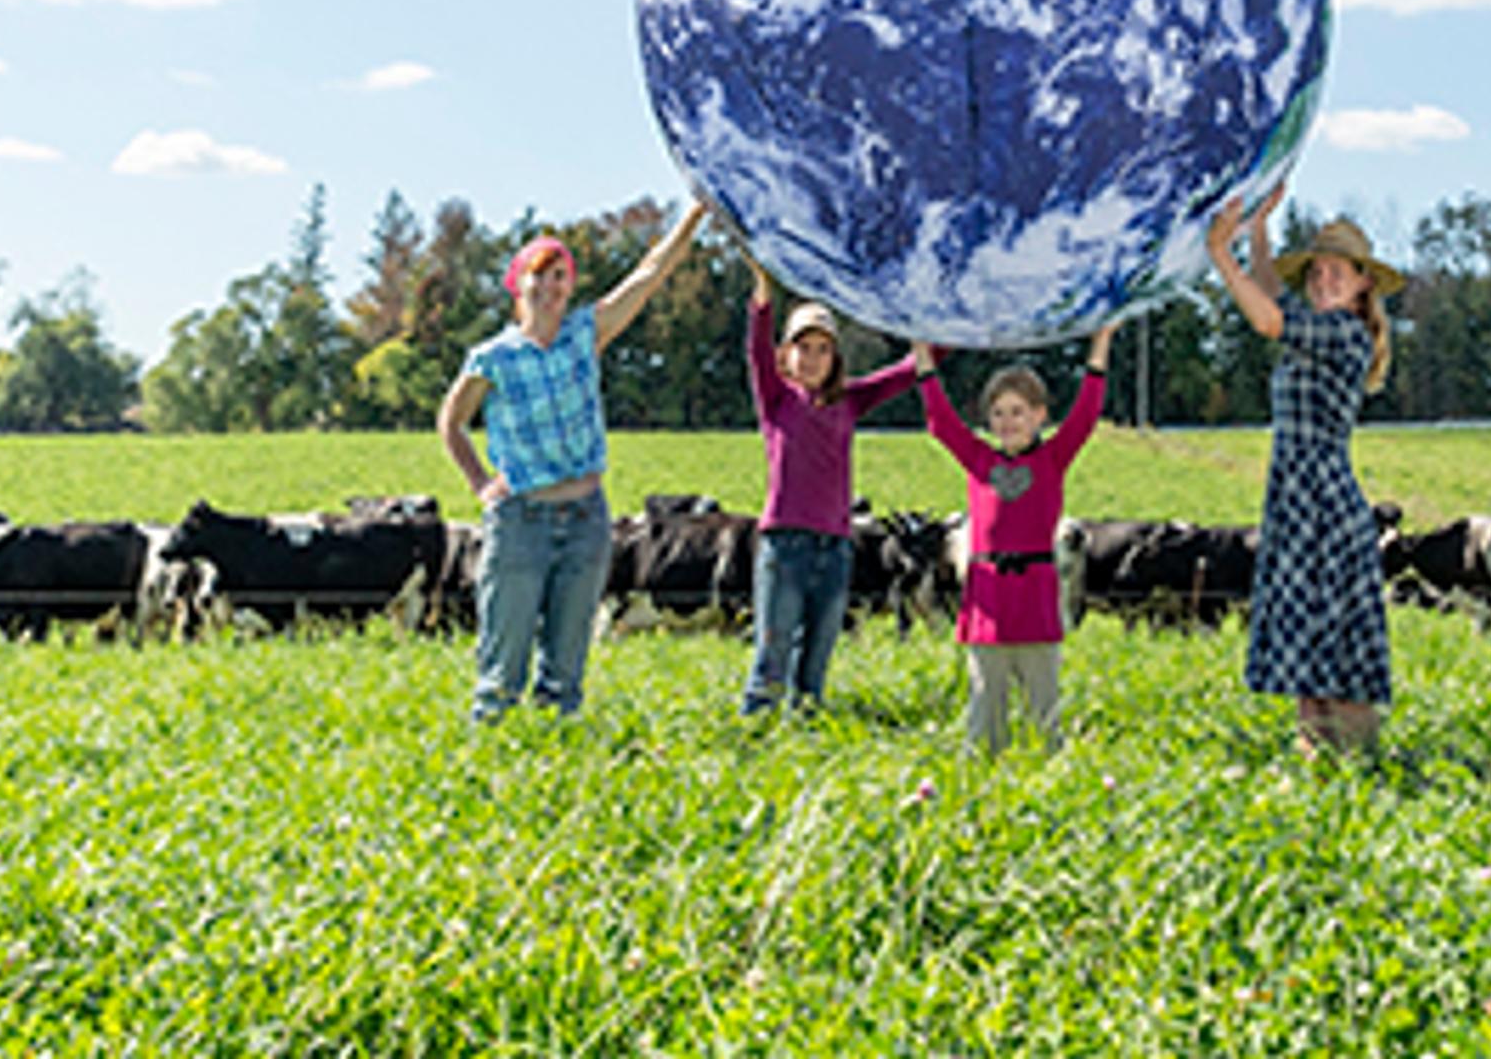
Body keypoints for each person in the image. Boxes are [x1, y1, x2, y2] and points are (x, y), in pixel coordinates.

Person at [435, 201, 708, 721]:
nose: (551, 287)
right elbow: (451, 421)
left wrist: (695, 213)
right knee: (502, 665)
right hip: (520, 523)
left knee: (566, 668)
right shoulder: (492, 357)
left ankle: (558, 763)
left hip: (586, 519)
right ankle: (490, 763)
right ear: (519, 286)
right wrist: (480, 484)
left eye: (560, 276)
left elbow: (649, 275)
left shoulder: (587, 334)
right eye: (539, 276)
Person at [1207, 193, 1400, 756]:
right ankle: (1319, 769)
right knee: (1308, 655)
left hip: (1324, 503)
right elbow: (1273, 296)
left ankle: (1357, 766)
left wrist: (1222, 253)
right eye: (1316, 271)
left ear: (1363, 283)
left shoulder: (1344, 334)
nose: (1322, 280)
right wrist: (1260, 231)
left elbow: (1267, 317)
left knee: (1336, 651)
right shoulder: (1316, 328)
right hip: (1296, 502)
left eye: (1336, 272)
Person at [912, 326, 1116, 752]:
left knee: (1043, 711)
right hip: (988, 599)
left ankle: (1047, 783)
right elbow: (940, 420)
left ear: (1040, 415)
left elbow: (1086, 413)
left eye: (1018, 411)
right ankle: (986, 789)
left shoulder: (1052, 458)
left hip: (1036, 598)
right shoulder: (978, 459)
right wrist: (922, 356)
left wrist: (1101, 344)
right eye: (999, 413)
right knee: (986, 711)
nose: (1007, 422)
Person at [741, 258, 918, 715]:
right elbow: (756, 347)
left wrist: (940, 323)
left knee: (816, 662)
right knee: (772, 656)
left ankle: (805, 733)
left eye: (823, 348)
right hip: (784, 546)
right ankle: (753, 737)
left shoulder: (851, 400)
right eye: (803, 347)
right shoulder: (776, 397)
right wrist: (763, 291)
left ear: (835, 357)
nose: (813, 357)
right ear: (786, 355)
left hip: (836, 547)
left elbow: (910, 369)